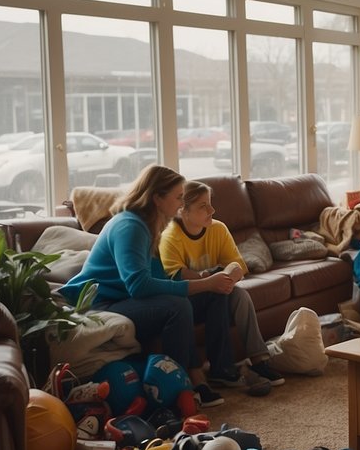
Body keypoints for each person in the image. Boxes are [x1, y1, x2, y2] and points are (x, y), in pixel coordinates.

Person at [60, 165, 234, 407]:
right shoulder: (130, 226)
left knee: (213, 295)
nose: (182, 204)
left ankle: (214, 372)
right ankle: (177, 386)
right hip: (100, 305)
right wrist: (203, 283)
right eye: (178, 197)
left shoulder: (153, 226)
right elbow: (139, 286)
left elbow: (160, 280)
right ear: (157, 198)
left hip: (124, 300)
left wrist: (206, 283)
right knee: (178, 306)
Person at [158, 180, 281, 396]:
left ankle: (259, 359)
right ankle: (221, 368)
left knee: (240, 295)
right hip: (188, 298)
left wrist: (227, 276)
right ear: (183, 211)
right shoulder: (171, 236)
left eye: (211, 203)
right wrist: (208, 278)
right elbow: (174, 276)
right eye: (203, 206)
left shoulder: (218, 228)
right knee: (219, 290)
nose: (212, 210)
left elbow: (238, 265)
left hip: (216, 290)